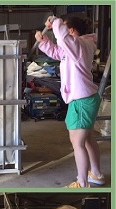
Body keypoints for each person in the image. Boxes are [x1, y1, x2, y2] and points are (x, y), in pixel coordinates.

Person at [35, 16, 105, 188]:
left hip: (82, 100)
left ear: (72, 31)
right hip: (84, 98)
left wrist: (55, 21)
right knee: (87, 138)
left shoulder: (80, 45)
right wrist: (44, 41)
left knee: (77, 142)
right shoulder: (76, 47)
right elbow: (59, 53)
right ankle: (96, 174)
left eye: (65, 29)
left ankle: (82, 183)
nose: (62, 32)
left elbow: (63, 38)